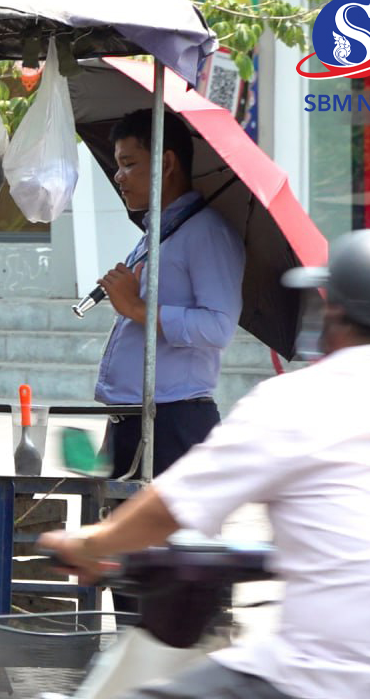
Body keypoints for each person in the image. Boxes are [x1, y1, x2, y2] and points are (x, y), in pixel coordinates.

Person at [40, 229, 370, 698]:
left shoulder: (300, 397)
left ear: (336, 311)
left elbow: (171, 505)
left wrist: (91, 542)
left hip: (319, 678)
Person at [95, 109, 246, 480]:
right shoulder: (158, 233)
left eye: (128, 164)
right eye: (118, 165)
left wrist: (136, 307)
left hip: (172, 421)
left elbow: (218, 327)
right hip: (132, 418)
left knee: (164, 538)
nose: (118, 176)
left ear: (165, 163)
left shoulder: (205, 232)